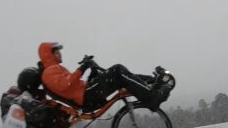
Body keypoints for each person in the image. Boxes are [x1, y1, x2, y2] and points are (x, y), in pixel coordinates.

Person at [38, 42, 171, 112]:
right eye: (56, 52)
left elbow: (72, 85)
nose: (60, 54)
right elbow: (65, 85)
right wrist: (83, 67)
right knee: (117, 70)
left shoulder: (54, 69)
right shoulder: (49, 72)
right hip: (87, 97)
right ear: (49, 55)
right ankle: (151, 98)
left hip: (87, 93)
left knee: (123, 77)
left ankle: (154, 83)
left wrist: (91, 69)